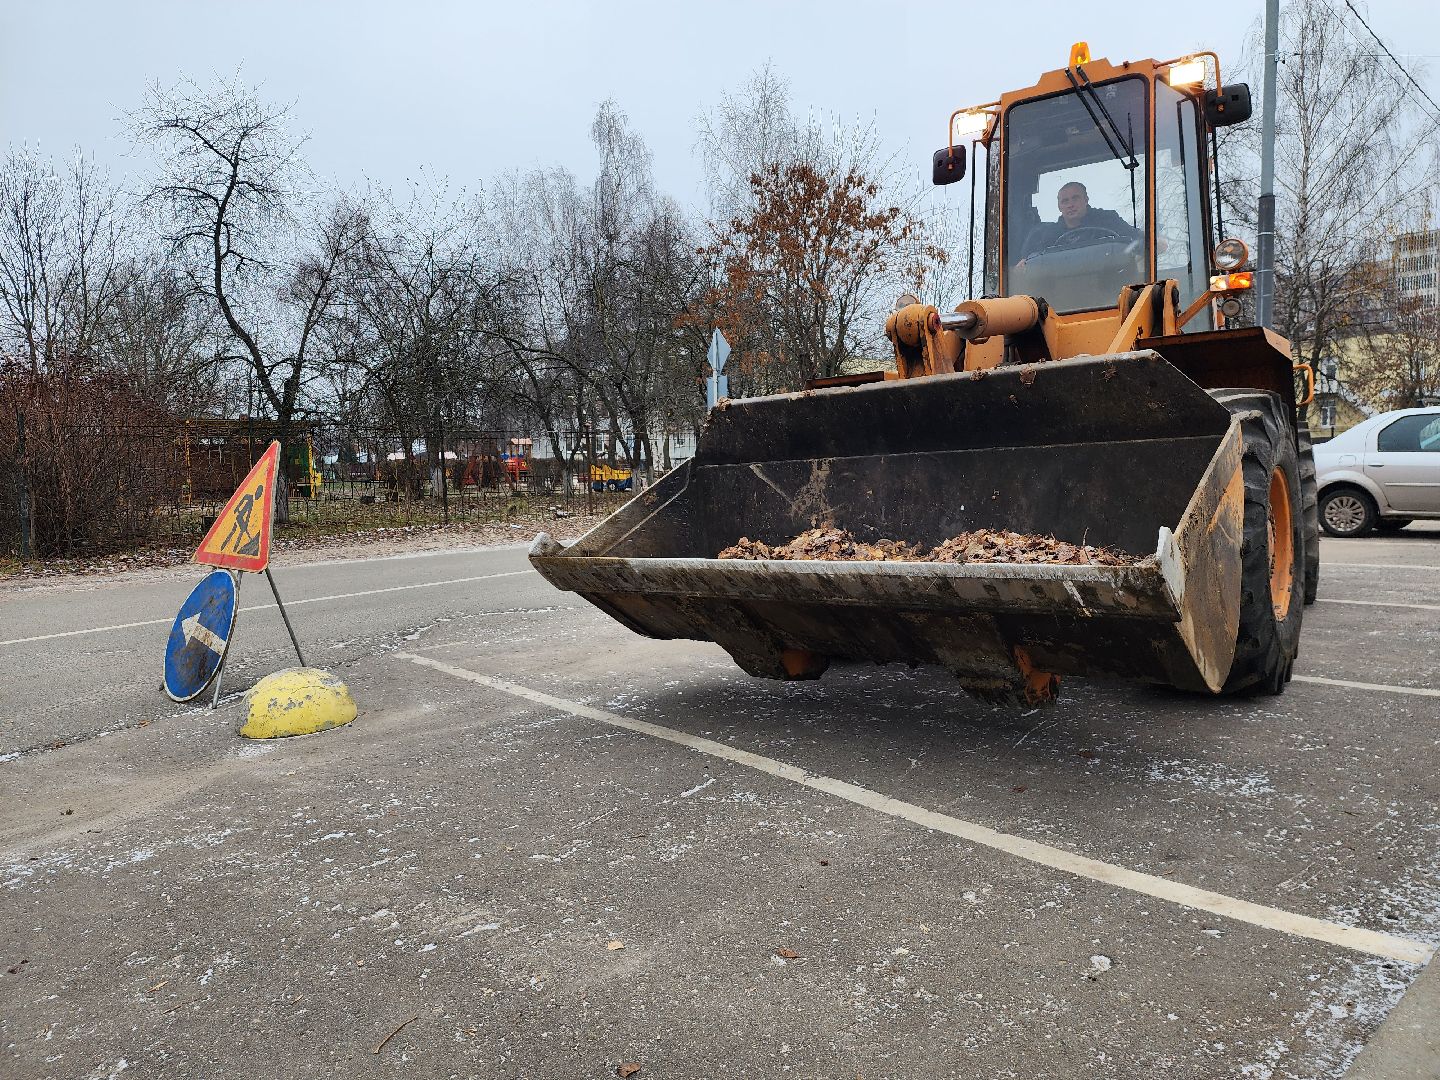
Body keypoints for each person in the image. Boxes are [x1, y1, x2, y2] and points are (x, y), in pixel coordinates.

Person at [1018, 181, 1139, 264]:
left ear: (1086, 200)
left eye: (1075, 198)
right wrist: (1024, 265)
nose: (1070, 205)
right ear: (1059, 207)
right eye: (1065, 201)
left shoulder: (1109, 220)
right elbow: (1028, 263)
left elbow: (1138, 241)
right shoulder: (1046, 235)